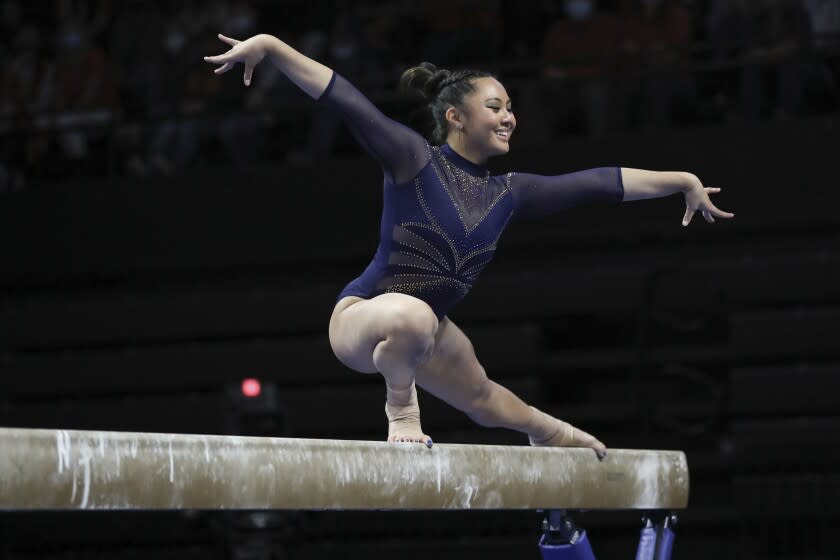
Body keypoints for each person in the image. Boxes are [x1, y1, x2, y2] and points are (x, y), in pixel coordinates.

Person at [204, 32, 734, 459]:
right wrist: (271, 47)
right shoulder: (414, 158)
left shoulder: (509, 192)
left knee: (482, 397)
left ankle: (552, 432)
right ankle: (401, 413)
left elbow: (599, 182)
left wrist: (679, 179)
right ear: (456, 117)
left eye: (511, 108)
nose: (509, 117)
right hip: (363, 318)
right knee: (412, 318)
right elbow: (345, 99)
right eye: (496, 106)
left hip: (425, 330)